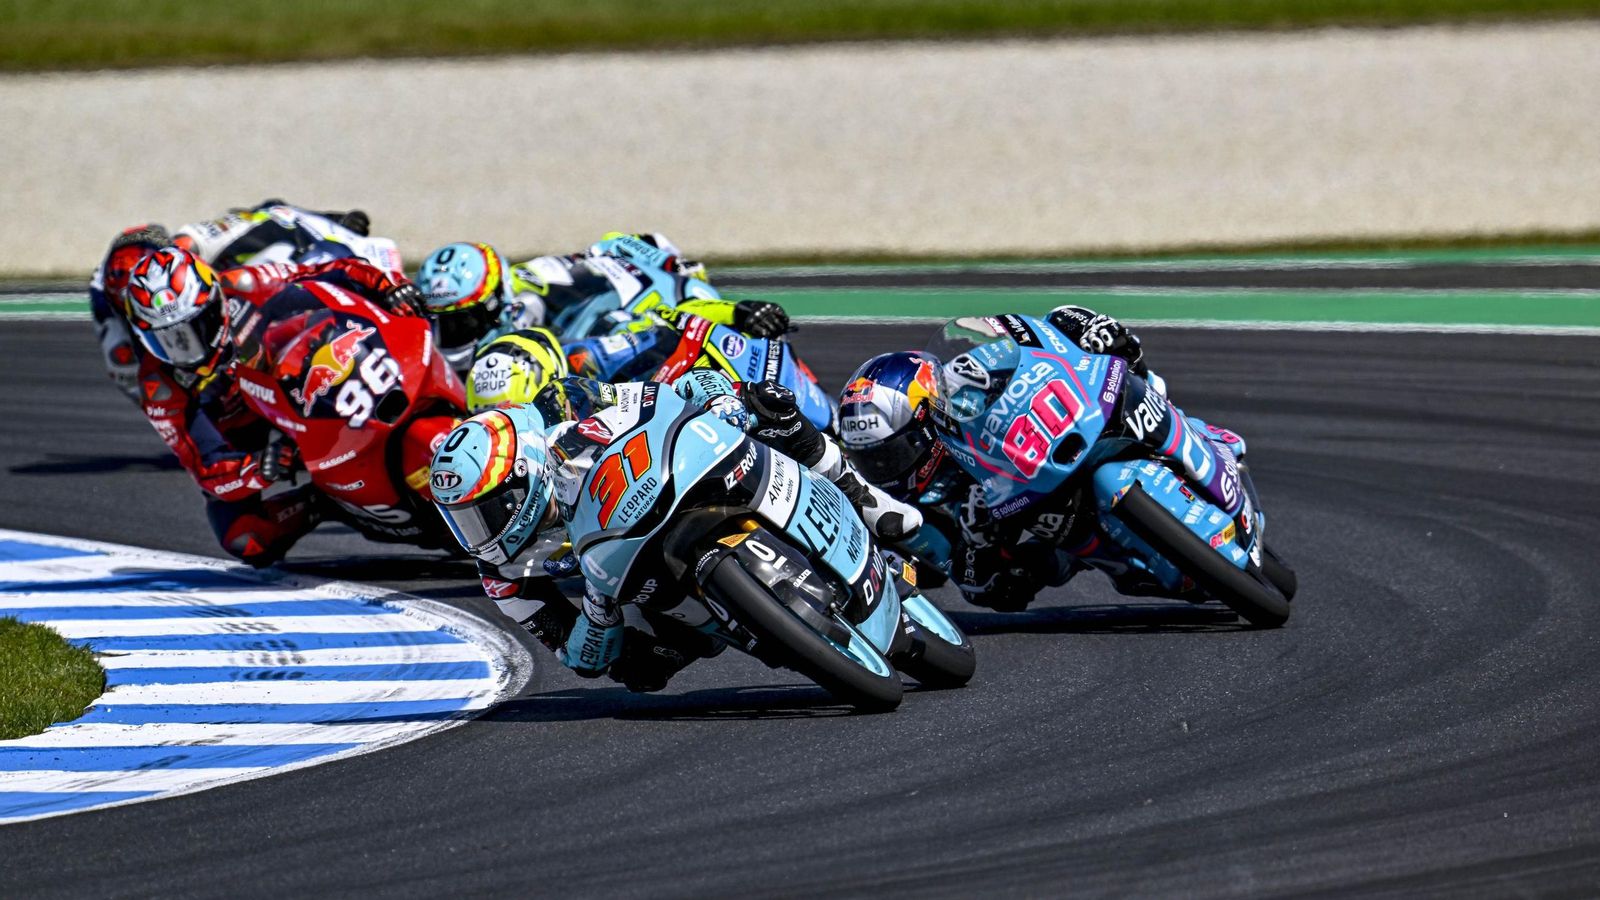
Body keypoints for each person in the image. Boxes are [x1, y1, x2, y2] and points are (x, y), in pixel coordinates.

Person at [429, 369, 922, 692]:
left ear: (525, 477)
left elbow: (660, 393)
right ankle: (734, 622)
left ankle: (863, 497)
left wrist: (718, 399)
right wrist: (599, 617)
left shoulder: (564, 406)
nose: (480, 533)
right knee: (637, 671)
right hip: (627, 581)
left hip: (665, 477)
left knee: (769, 407)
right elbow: (576, 657)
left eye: (488, 512)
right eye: (464, 520)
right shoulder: (504, 573)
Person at [838, 305, 1233, 611]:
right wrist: (977, 541)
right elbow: (973, 585)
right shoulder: (915, 509)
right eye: (871, 459)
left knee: (1117, 357)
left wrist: (1088, 331)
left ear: (929, 417)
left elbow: (1039, 333)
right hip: (1035, 510)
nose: (884, 470)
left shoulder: (963, 375)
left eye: (892, 454)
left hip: (1056, 436)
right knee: (1033, 570)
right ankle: (1130, 558)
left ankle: (1191, 436)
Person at [121, 245, 424, 566]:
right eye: (165, 340)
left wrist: (387, 285)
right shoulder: (159, 385)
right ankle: (325, 502)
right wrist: (256, 468)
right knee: (246, 537)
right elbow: (205, 468)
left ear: (215, 303)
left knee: (409, 314)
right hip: (252, 434)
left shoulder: (245, 284)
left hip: (300, 381)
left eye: (194, 329)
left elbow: (330, 271)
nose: (185, 350)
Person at [90, 202, 390, 402]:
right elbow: (134, 385)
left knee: (269, 211)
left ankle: (334, 229)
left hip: (218, 278)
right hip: (165, 334)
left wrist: (330, 223)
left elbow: (265, 216)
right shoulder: (106, 308)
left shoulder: (189, 243)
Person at [414, 236, 791, 377]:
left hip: (648, 301)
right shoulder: (510, 307)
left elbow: (649, 322)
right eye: (442, 321)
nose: (449, 333)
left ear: (496, 304)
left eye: (463, 320)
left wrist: (732, 313)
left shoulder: (545, 307)